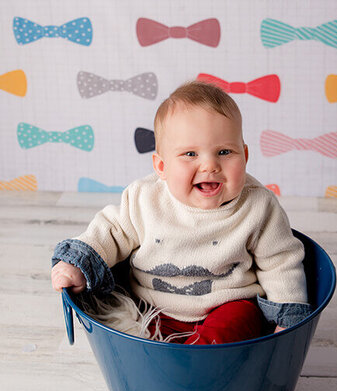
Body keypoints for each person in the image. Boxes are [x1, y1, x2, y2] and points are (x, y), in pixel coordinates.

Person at [51, 81, 312, 344]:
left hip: (227, 304)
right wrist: (78, 263)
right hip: (152, 306)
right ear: (161, 166)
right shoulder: (145, 199)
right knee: (133, 334)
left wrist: (286, 318)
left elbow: (281, 262)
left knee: (236, 321)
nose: (210, 165)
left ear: (244, 155)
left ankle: (194, 362)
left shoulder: (258, 206)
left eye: (224, 152)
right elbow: (111, 232)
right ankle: (166, 355)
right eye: (190, 154)